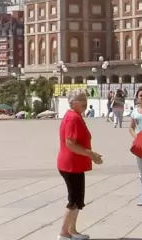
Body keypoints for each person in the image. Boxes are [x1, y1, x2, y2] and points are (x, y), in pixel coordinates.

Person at [56, 89, 103, 240]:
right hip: (71, 165)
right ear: (72, 103)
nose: (85, 102)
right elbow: (70, 143)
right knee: (74, 200)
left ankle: (72, 230)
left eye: (85, 99)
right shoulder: (73, 118)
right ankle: (64, 232)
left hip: (74, 164)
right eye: (81, 99)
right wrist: (91, 154)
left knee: (78, 199)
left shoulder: (75, 116)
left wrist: (90, 154)